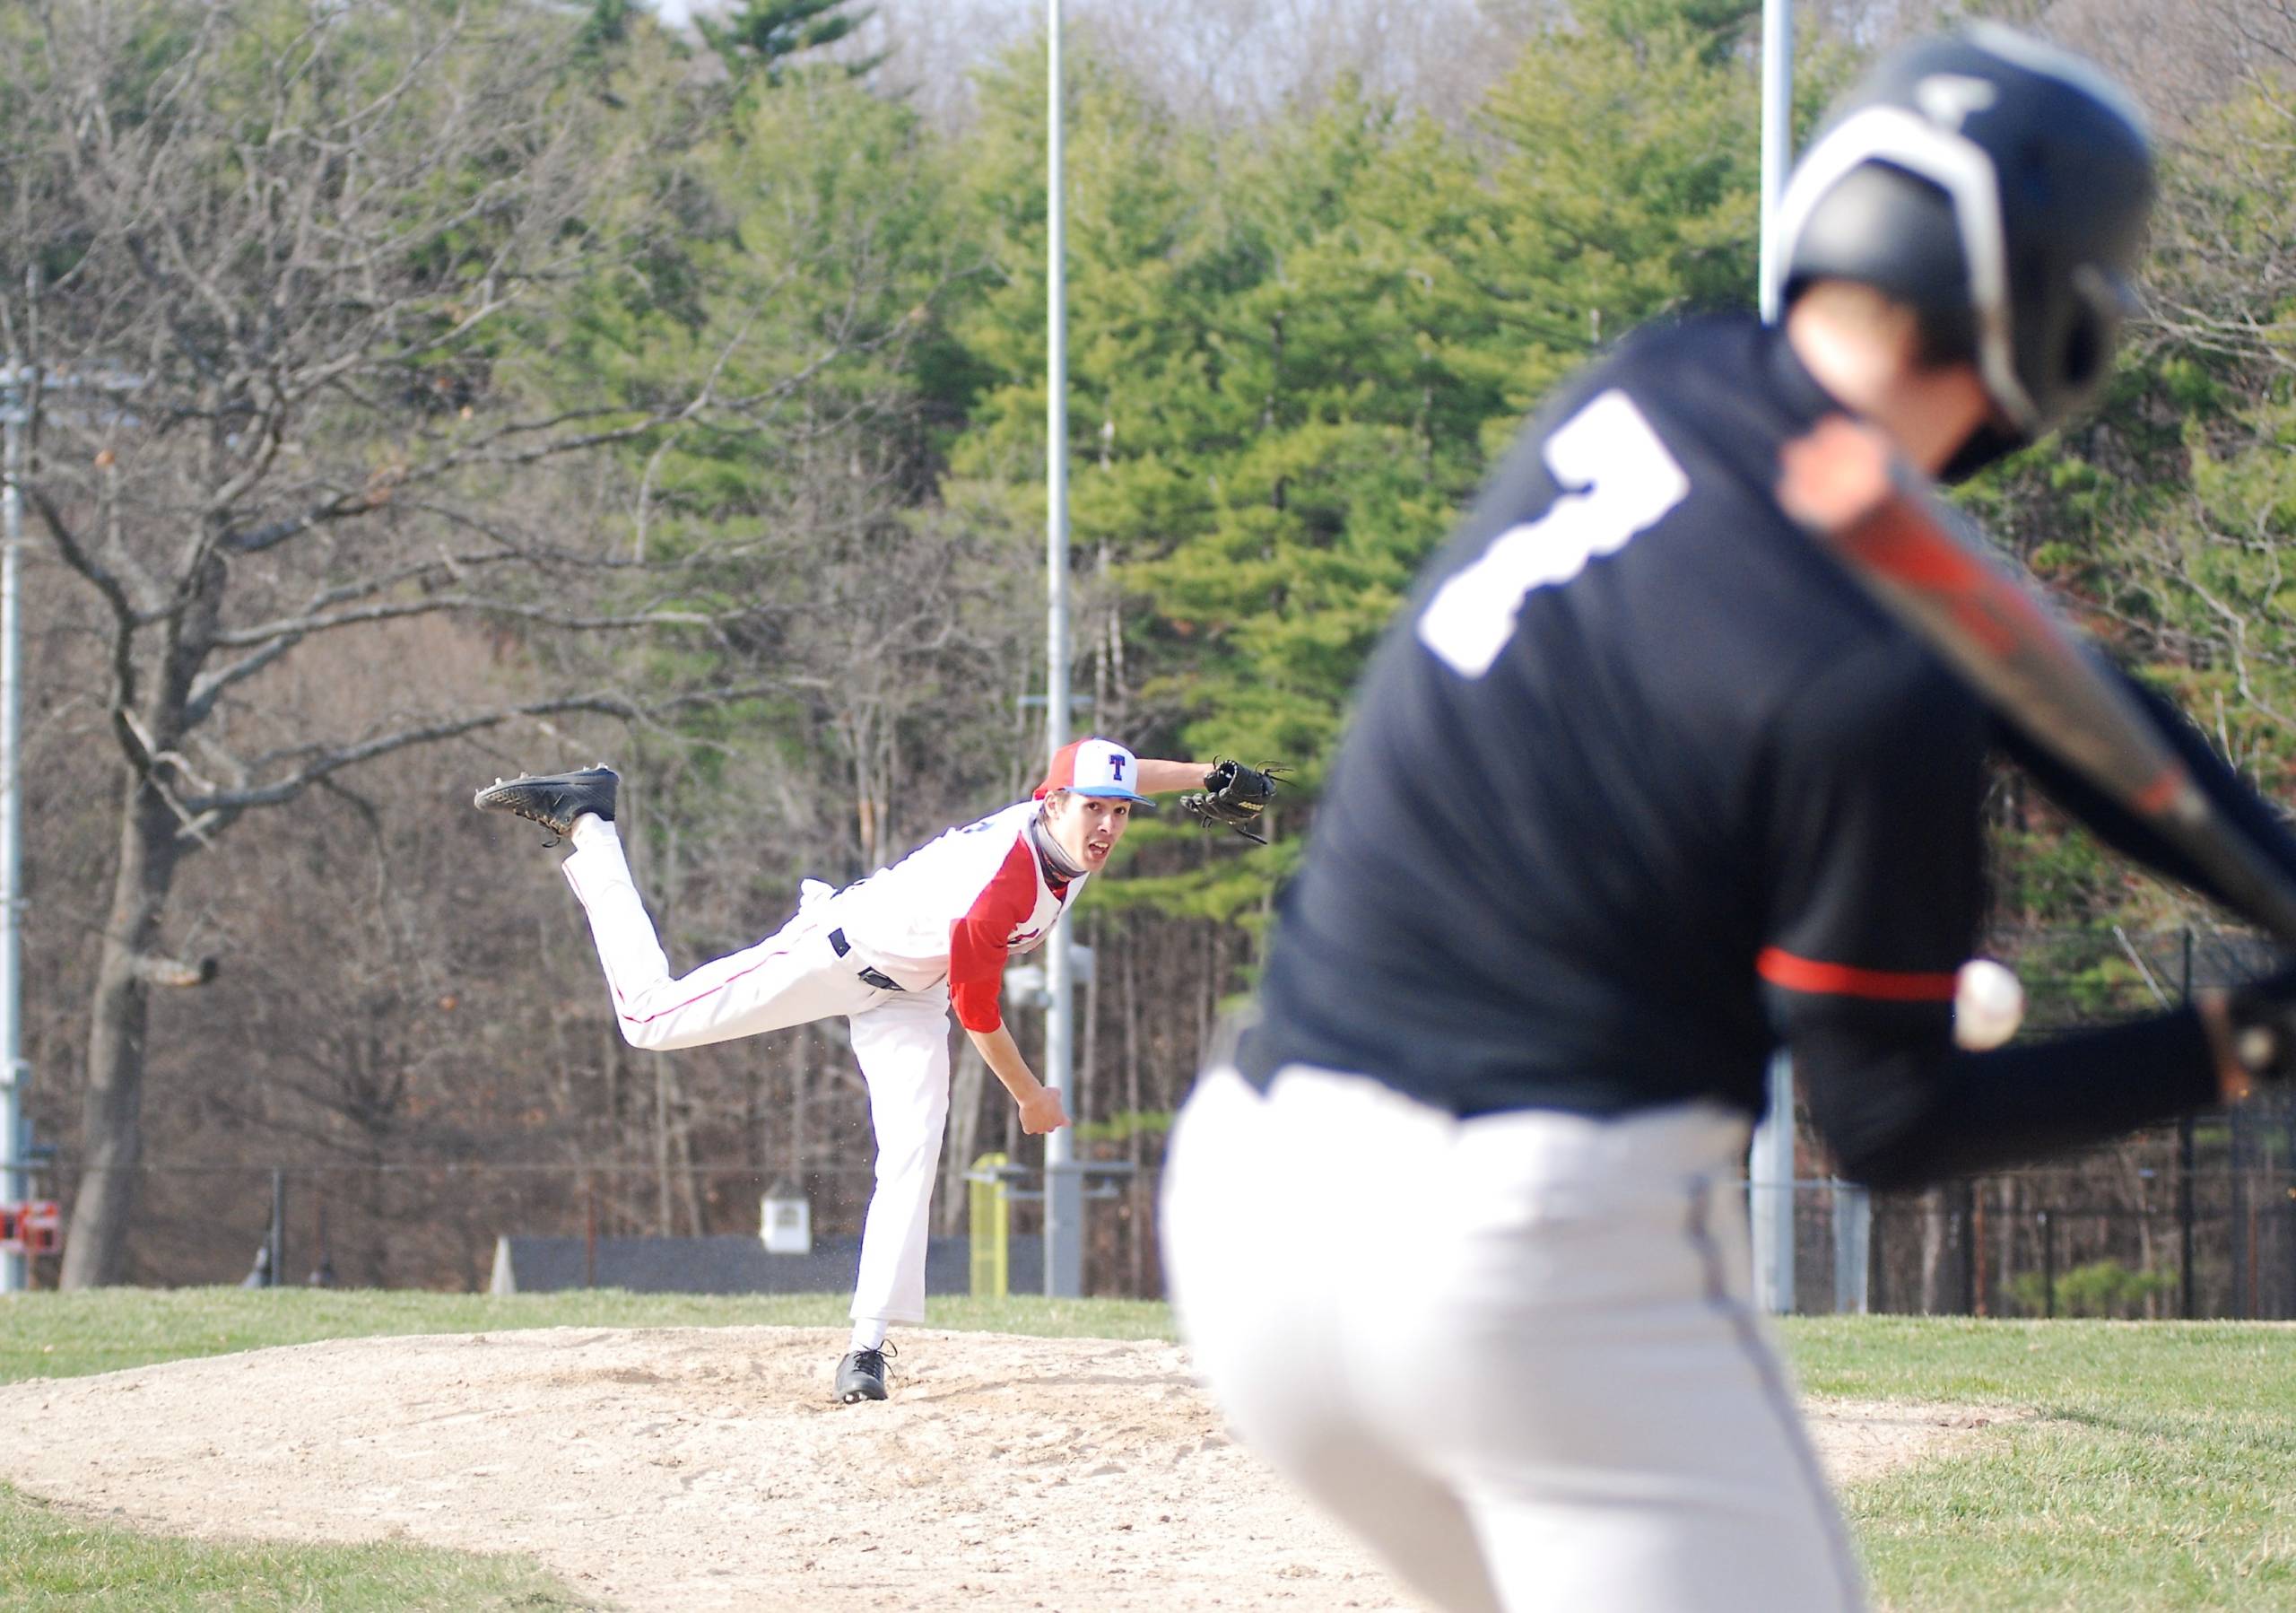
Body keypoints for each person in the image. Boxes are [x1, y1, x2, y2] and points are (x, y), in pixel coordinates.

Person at [1161, 27, 2296, 1613]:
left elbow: (2040, 669)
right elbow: (1895, 1123)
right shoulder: (1869, 673)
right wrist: (2244, 1041)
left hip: (1254, 1224)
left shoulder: (1658, 382)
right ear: (2051, 319)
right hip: (1530, 1269)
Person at [477, 738, 1274, 1403]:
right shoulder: (1000, 885)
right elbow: (982, 1015)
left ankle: (866, 1348)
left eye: (1118, 810)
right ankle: (589, 819)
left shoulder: (1065, 834)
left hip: (908, 997)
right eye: (1091, 807)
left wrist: (1207, 775)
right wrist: (1030, 1099)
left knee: (913, 1153)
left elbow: (1130, 773)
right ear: (1050, 801)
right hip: (837, 955)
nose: (1106, 823)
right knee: (649, 1020)